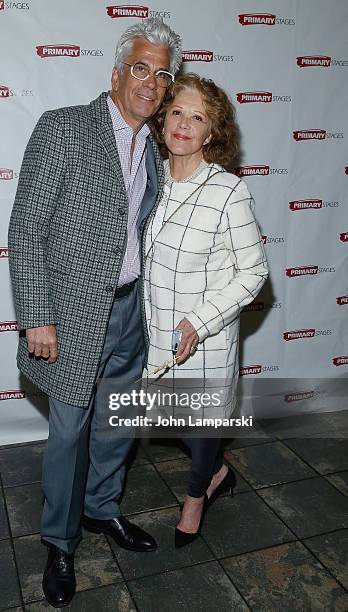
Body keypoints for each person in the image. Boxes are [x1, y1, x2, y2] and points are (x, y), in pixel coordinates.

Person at [8, 17, 182, 607]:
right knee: (69, 434)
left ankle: (101, 509)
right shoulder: (64, 129)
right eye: (140, 68)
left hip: (132, 310)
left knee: (117, 427)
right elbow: (27, 228)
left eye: (162, 74)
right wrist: (37, 315)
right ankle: (59, 541)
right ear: (116, 72)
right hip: (74, 313)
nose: (150, 83)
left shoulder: (156, 148)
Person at [145, 73, 268, 548]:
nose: (183, 123)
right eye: (177, 111)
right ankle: (218, 468)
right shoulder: (147, 179)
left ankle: (197, 495)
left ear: (211, 133)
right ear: (162, 120)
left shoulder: (228, 192)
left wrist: (202, 319)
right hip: (154, 331)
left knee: (201, 427)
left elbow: (254, 271)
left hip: (205, 339)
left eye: (197, 117)